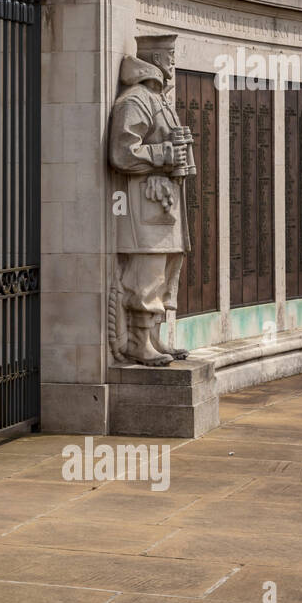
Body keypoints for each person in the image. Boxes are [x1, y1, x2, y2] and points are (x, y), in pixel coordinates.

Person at [108, 45, 193, 366]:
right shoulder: (135, 100)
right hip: (145, 201)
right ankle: (137, 343)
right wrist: (165, 155)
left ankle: (153, 337)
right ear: (156, 59)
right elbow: (122, 152)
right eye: (169, 56)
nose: (173, 61)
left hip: (164, 203)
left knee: (165, 270)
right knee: (147, 272)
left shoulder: (160, 100)